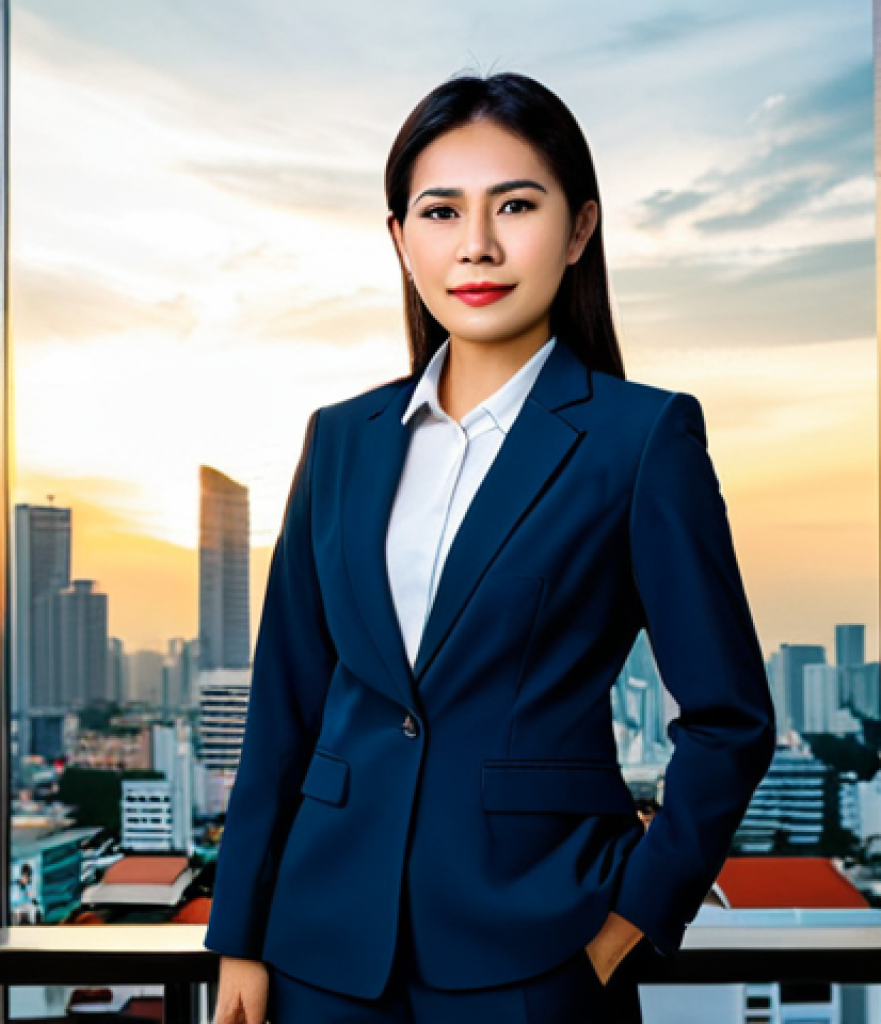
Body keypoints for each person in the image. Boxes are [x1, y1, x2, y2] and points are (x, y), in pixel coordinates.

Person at [205, 70, 777, 1024]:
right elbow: (284, 708)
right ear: (401, 240)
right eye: (441, 212)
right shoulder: (340, 439)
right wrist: (241, 936)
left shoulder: (641, 440)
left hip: (537, 949)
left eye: (515, 205)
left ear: (580, 229)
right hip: (318, 947)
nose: (476, 244)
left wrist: (628, 921)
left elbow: (730, 720)